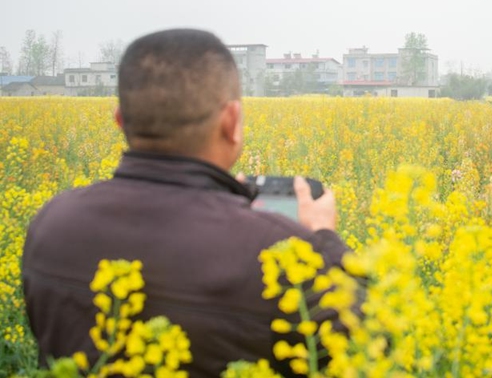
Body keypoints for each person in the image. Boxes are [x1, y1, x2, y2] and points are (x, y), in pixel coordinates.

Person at [22, 29, 357, 377]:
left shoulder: (51, 224)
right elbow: (368, 351)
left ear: (120, 120)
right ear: (231, 121)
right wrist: (323, 240)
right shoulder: (281, 252)